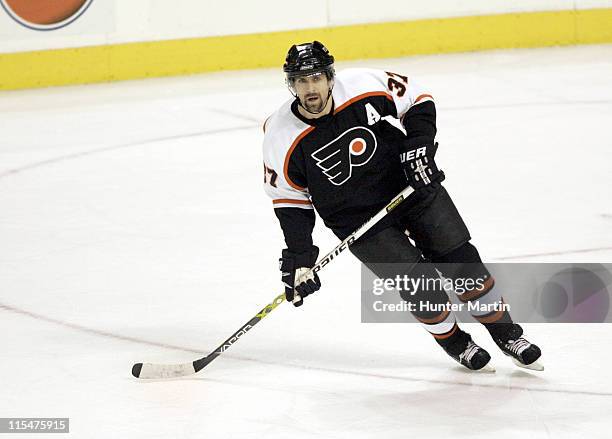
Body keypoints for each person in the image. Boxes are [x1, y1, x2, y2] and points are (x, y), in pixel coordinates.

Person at [262, 41, 542, 371]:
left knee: (463, 264)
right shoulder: (279, 134)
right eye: (301, 81)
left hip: (409, 184)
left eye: (317, 78)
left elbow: (417, 99)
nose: (311, 88)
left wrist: (418, 147)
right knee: (420, 285)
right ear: (291, 85)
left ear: (329, 77)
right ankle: (455, 342)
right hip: (357, 218)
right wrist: (299, 255)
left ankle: (507, 333)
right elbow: (290, 200)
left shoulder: (363, 84)